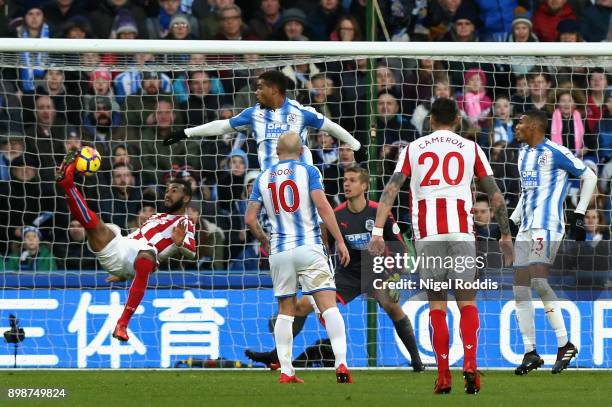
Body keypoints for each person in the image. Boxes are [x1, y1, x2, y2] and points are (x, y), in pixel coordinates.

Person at [368, 98, 514, 394]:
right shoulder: (471, 148)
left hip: (429, 235)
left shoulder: (413, 148)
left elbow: (392, 188)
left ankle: (444, 374)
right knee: (467, 303)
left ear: (431, 120)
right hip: (461, 233)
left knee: (437, 304)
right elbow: (494, 194)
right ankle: (470, 364)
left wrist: (378, 230)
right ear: (458, 120)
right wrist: (505, 235)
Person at [245, 165, 425, 372]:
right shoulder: (337, 215)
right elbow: (323, 246)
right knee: (302, 306)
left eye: (352, 180)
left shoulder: (378, 212)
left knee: (393, 308)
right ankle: (277, 356)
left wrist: (394, 276)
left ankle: (417, 360)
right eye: (345, 180)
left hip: (376, 271)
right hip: (347, 273)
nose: (346, 184)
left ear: (364, 185)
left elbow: (400, 247)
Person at [55, 148, 196, 342]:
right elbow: (137, 241)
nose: (167, 194)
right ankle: (68, 185)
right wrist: (122, 272)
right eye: (167, 190)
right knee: (95, 226)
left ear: (186, 198)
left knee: (147, 254)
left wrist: (181, 243)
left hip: (142, 260)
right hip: (125, 249)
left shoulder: (185, 223)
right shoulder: (156, 216)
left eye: (174, 191)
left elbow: (192, 253)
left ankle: (122, 324)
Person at [245, 131, 352, 384]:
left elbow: (250, 219)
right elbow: (323, 206)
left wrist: (264, 240)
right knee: (328, 306)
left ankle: (286, 370)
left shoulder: (262, 177)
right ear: (302, 151)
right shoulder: (309, 172)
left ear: (276, 153)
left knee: (285, 310)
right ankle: (341, 364)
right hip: (309, 246)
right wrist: (338, 239)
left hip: (280, 250)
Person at [509, 110, 597, 375]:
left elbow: (590, 176)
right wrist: (512, 220)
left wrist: (579, 214)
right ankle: (530, 352)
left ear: (534, 126)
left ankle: (564, 344)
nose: (516, 126)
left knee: (537, 280)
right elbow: (528, 193)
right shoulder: (522, 154)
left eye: (521, 122)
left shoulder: (555, 152)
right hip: (526, 227)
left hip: (547, 226)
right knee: (520, 289)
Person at [163, 70, 361, 170]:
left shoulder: (300, 112)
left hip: (299, 178)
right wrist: (185, 132)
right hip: (268, 179)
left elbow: (331, 126)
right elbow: (222, 126)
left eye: (260, 88)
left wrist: (354, 143)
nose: (255, 92)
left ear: (274, 90)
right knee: (253, 219)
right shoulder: (253, 113)